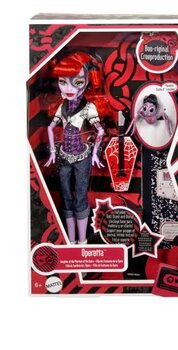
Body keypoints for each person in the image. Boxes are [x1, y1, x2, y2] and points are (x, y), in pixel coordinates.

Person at [44, 52, 108, 244]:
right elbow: (50, 127)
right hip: (63, 156)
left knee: (81, 196)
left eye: (78, 82)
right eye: (63, 82)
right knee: (65, 197)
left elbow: (100, 130)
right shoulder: (61, 107)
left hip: (82, 156)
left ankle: (82, 241)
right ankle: (70, 241)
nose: (69, 88)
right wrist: (53, 152)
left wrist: (95, 153)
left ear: (88, 81)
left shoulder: (89, 108)